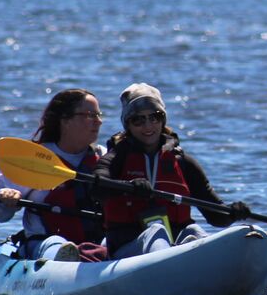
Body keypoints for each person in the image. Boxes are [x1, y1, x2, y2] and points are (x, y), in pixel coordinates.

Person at [93, 82, 251, 259]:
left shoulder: (183, 163)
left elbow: (215, 217)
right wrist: (127, 186)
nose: (148, 126)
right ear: (128, 124)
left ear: (163, 120)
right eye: (138, 119)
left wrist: (233, 213)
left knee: (193, 230)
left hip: (173, 246)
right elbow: (97, 189)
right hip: (128, 248)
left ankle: (215, 266)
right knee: (156, 232)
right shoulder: (115, 158)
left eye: (155, 117)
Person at [0, 88, 106, 261]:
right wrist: (6, 200)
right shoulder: (35, 159)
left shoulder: (103, 157)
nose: (99, 122)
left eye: (98, 114)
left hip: (95, 245)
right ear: (65, 121)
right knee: (55, 243)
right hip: (45, 245)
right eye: (89, 115)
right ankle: (66, 258)